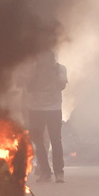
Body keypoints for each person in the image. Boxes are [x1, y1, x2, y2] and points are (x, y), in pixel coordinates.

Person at [26, 51, 68, 183]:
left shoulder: (59, 69)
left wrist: (52, 74)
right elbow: (28, 87)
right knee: (38, 141)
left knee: (56, 140)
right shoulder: (34, 69)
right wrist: (37, 75)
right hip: (36, 109)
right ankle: (45, 171)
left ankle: (59, 172)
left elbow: (62, 85)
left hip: (54, 109)